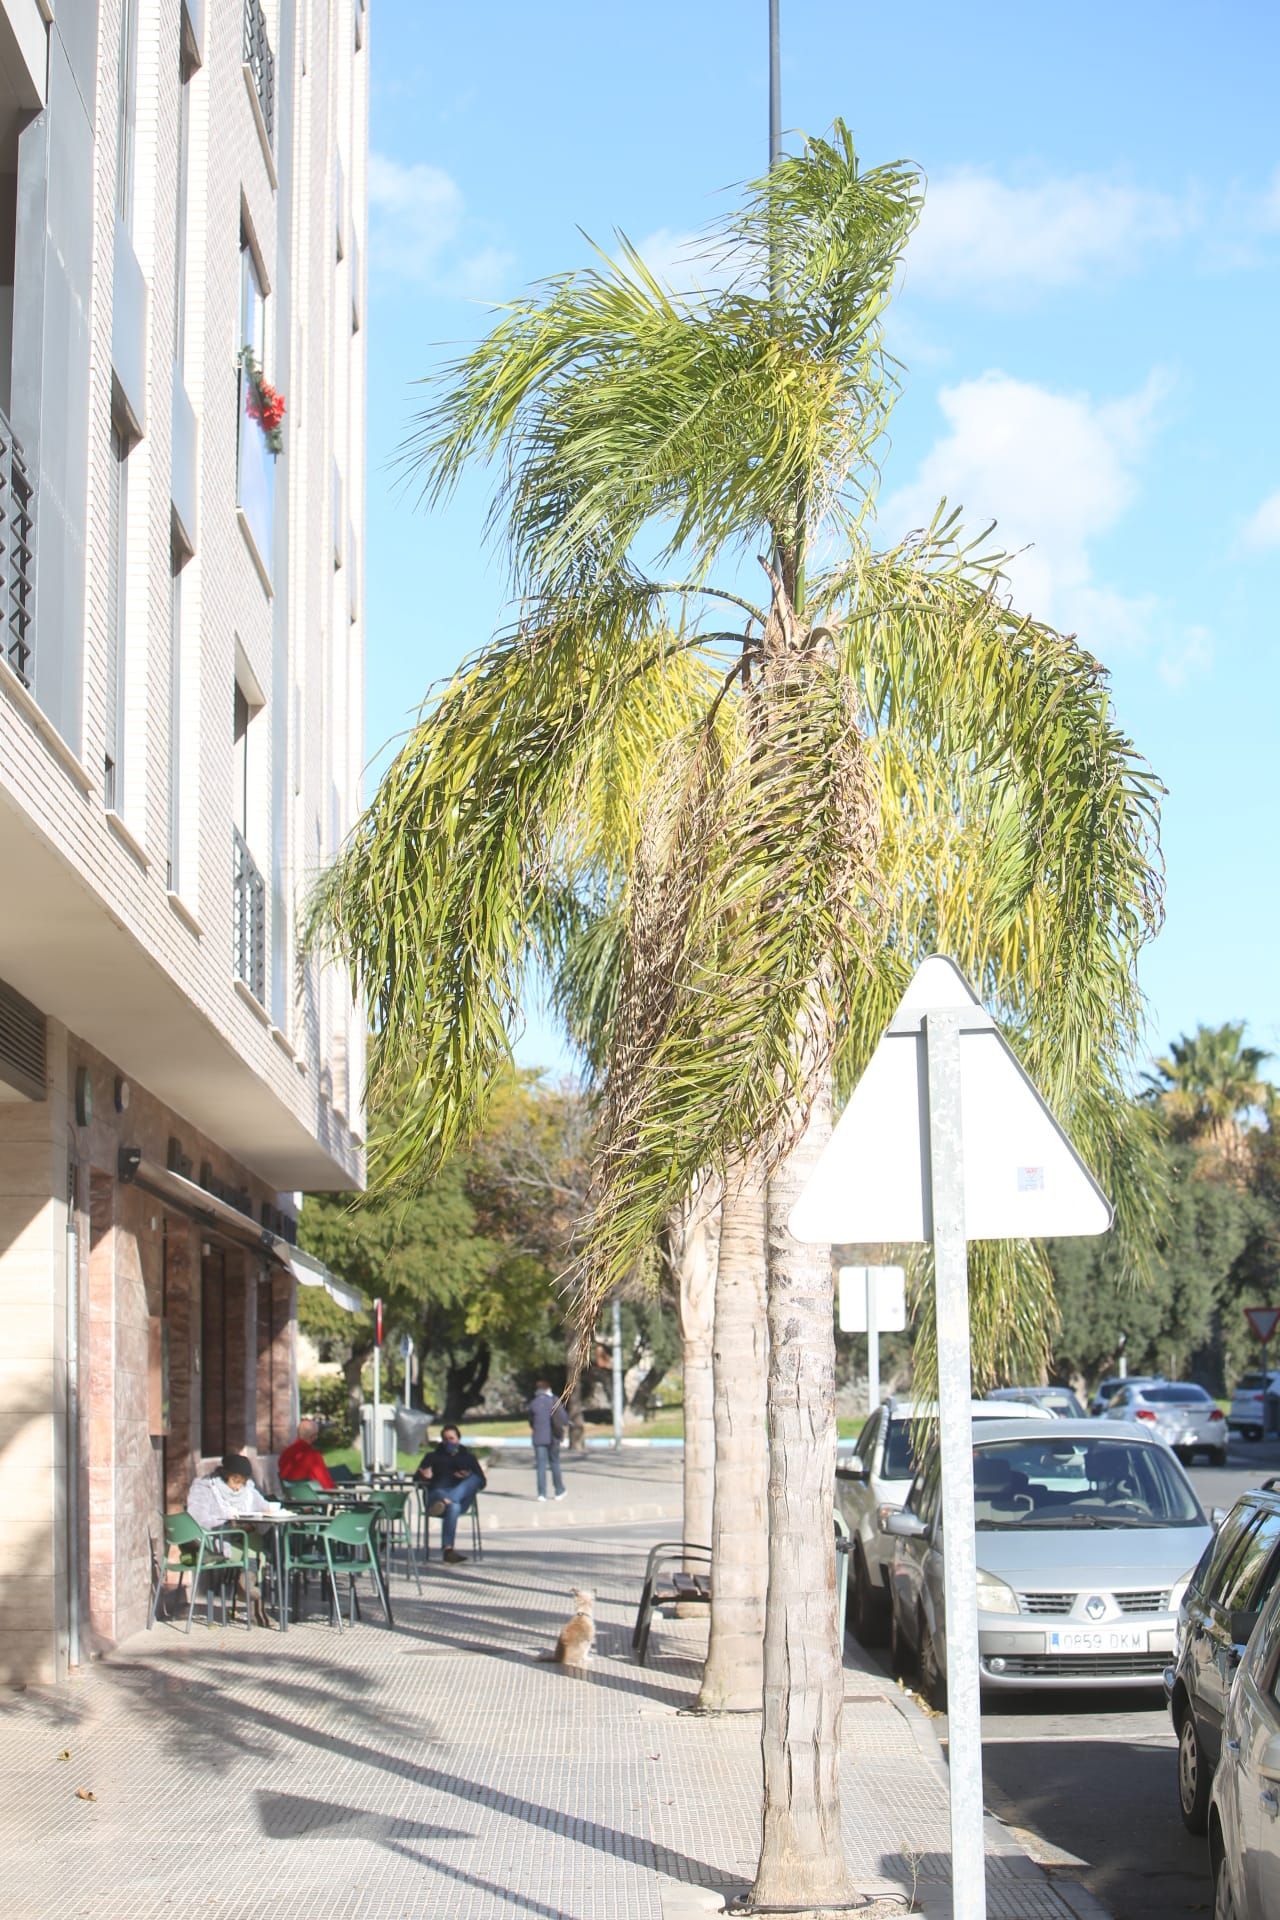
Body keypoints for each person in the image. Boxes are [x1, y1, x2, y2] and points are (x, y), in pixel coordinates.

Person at [185, 1453, 272, 1624]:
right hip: (215, 1543)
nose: (238, 1487)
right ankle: (252, 1601)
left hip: (240, 1539)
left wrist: (266, 1513)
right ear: (225, 1476)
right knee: (256, 1553)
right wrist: (228, 1523)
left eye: (243, 1482)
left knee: (254, 1541)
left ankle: (247, 1586)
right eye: (235, 1481)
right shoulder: (205, 1487)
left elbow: (264, 1508)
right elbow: (197, 1518)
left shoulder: (248, 1491)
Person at [414, 1425, 486, 1563]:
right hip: (436, 1496)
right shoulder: (432, 1457)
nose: (449, 1442)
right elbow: (416, 1479)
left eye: (452, 1438)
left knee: (474, 1479)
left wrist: (467, 1475)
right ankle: (448, 1550)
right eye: (445, 1439)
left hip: (459, 1495)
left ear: (458, 1439)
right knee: (454, 1506)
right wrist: (425, 1476)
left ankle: (451, 1498)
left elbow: (482, 1482)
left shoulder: (468, 1458)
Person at [526, 1380, 568, 1502]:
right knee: (555, 1464)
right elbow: (564, 1418)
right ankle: (559, 1491)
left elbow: (531, 1421)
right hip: (553, 1438)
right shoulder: (554, 1401)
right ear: (548, 1389)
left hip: (538, 1438)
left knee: (540, 1466)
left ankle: (541, 1494)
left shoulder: (533, 1403)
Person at [277, 1417, 336, 1489]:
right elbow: (325, 1484)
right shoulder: (313, 1455)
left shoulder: (285, 1454)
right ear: (314, 1436)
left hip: (292, 1496)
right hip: (313, 1498)